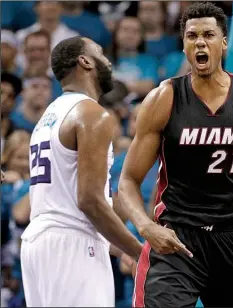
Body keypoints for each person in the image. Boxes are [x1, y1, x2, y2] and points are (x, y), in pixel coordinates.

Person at [118, 2, 233, 307]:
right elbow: (128, 180)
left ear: (224, 42)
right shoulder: (163, 99)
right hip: (177, 238)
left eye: (208, 34)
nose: (200, 42)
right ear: (184, 45)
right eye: (192, 36)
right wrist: (146, 226)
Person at [20, 36, 143, 307]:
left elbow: (62, 201)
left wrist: (117, 245)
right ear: (85, 61)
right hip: (71, 246)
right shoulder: (91, 113)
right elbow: (88, 200)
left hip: (41, 243)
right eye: (100, 51)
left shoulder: (48, 116)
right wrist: (140, 252)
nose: (108, 60)